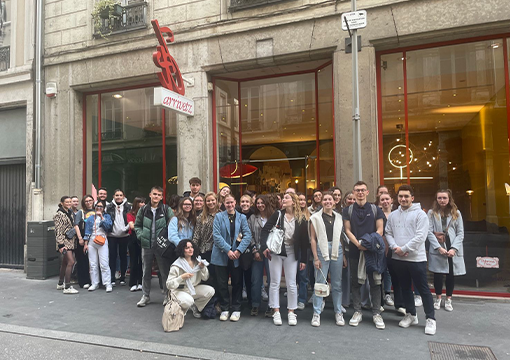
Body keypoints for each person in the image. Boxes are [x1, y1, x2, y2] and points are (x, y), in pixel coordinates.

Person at [385, 184, 436, 335]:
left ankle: (430, 319)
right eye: (400, 196)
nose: (403, 199)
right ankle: (411, 314)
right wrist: (395, 248)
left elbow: (421, 236)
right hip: (398, 258)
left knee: (423, 289)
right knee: (405, 288)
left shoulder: (420, 215)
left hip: (416, 259)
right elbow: (388, 233)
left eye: (406, 196)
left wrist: (404, 249)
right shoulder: (393, 215)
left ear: (412, 198)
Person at [343, 181, 385, 329]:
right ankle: (357, 311)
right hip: (355, 251)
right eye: (357, 190)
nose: (360, 193)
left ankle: (376, 313)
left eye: (362, 190)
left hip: (372, 251)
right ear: (353, 193)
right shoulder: (347, 210)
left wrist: (367, 244)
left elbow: (380, 230)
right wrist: (358, 244)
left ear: (367, 192)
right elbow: (347, 230)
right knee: (356, 282)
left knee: (375, 282)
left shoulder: (375, 209)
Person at [261, 192, 308, 326]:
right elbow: (265, 230)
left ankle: (291, 311)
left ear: (293, 202)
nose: (283, 200)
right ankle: (276, 310)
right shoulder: (278, 214)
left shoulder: (301, 218)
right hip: (276, 251)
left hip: (292, 251)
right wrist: (264, 247)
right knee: (274, 282)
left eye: (287, 198)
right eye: (283, 198)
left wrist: (303, 260)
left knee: (292, 283)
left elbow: (304, 241)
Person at [212, 193, 252, 322]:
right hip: (221, 254)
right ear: (224, 204)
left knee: (237, 283)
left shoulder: (242, 218)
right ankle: (224, 308)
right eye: (227, 203)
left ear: (235, 203)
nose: (229, 205)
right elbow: (216, 236)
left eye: (231, 202)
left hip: (237, 255)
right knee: (222, 283)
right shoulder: (218, 217)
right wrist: (228, 250)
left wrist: (239, 250)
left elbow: (247, 235)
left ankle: (236, 308)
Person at [310, 191, 346, 327]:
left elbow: (341, 238)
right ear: (321, 202)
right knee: (320, 282)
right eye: (325, 200)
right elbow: (313, 239)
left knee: (337, 284)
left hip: (337, 250)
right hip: (321, 249)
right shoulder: (315, 218)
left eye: (330, 199)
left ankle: (338, 312)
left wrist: (344, 257)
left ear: (335, 201)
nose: (327, 202)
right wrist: (315, 258)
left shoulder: (339, 217)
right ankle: (316, 313)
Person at [134, 186, 174, 307]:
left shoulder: (166, 209)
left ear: (161, 197)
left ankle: (167, 296)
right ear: (150, 195)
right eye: (154, 194)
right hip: (147, 245)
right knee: (146, 271)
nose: (156, 196)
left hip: (161, 246)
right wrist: (141, 236)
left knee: (164, 272)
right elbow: (137, 225)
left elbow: (172, 225)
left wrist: (166, 240)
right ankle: (145, 296)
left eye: (158, 195)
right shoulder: (143, 210)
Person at [427, 189, 465, 312]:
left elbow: (460, 233)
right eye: (439, 198)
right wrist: (438, 248)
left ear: (449, 199)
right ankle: (438, 298)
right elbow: (428, 231)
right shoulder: (431, 213)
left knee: (450, 275)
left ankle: (448, 298)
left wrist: (454, 248)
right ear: (436, 199)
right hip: (438, 246)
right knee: (437, 274)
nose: (442, 200)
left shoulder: (456, 213)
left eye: (444, 198)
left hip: (451, 245)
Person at [166, 240, 215, 319]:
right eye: (187, 248)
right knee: (189, 300)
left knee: (210, 290)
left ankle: (195, 306)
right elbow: (169, 285)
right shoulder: (176, 265)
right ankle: (179, 311)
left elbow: (205, 278)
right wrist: (181, 277)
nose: (190, 249)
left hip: (193, 288)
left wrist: (202, 268)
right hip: (179, 290)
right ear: (182, 250)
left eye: (192, 247)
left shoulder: (197, 261)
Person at [248, 195, 273, 316]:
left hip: (270, 253)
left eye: (262, 203)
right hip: (257, 251)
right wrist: (255, 251)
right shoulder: (253, 218)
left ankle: (271, 306)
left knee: (272, 280)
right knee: (256, 279)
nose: (260, 205)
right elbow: (249, 235)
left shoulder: (273, 217)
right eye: (258, 203)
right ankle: (255, 305)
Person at [376, 192, 399, 309]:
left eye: (387, 199)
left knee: (390, 271)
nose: (385, 201)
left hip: (395, 244)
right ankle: (379, 300)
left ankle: (388, 294)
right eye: (382, 199)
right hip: (380, 244)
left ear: (391, 200)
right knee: (380, 271)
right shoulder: (377, 214)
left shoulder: (397, 214)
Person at [83, 200, 113, 292]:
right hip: (92, 240)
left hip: (102, 240)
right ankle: (94, 283)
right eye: (97, 206)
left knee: (104, 263)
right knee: (93, 264)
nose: (98, 208)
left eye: (101, 206)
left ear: (104, 208)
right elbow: (87, 231)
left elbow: (109, 227)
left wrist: (102, 218)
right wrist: (85, 244)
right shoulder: (90, 218)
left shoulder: (107, 216)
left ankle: (107, 283)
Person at [193, 192, 219, 287]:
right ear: (205, 202)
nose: (210, 202)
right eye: (208, 200)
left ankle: (217, 298)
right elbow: (197, 234)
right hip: (204, 250)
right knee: (206, 275)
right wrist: (194, 248)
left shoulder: (221, 214)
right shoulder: (201, 216)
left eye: (212, 200)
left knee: (217, 275)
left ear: (216, 201)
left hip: (217, 249)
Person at [54, 196, 79, 294]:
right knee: (71, 262)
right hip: (64, 242)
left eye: (70, 202)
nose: (69, 203)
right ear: (62, 203)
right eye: (67, 202)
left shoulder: (70, 212)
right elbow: (58, 231)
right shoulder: (59, 214)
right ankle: (67, 287)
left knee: (65, 262)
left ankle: (60, 284)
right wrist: (60, 245)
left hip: (70, 241)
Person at [106, 189, 131, 286]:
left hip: (124, 235)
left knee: (123, 256)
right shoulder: (108, 207)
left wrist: (126, 228)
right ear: (113, 196)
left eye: (120, 195)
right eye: (117, 195)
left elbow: (131, 219)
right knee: (112, 257)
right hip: (112, 235)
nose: (119, 197)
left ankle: (123, 277)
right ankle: (112, 277)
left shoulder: (128, 207)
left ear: (123, 196)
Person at [73, 195, 95, 289]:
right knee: (82, 260)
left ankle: (94, 280)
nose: (88, 202)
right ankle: (83, 281)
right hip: (82, 237)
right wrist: (80, 238)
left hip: (94, 238)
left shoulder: (97, 210)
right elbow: (76, 225)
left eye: (90, 200)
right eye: (86, 201)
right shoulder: (80, 212)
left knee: (93, 261)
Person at [127, 197, 146, 292]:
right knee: (134, 261)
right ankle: (133, 283)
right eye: (141, 202)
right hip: (133, 238)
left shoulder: (146, 213)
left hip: (143, 238)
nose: (143, 204)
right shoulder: (130, 214)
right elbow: (132, 226)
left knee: (142, 261)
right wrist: (141, 227)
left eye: (144, 202)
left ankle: (141, 282)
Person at [239, 194, 254, 303]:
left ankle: (250, 298)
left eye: (247, 202)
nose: (245, 204)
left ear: (251, 203)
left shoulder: (254, 214)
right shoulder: (236, 214)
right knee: (239, 274)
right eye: (242, 202)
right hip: (238, 247)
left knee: (250, 274)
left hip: (251, 247)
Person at [297, 192, 311, 309]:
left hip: (305, 248)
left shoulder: (309, 215)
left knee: (303, 275)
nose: (302, 202)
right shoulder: (293, 215)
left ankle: (302, 299)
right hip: (294, 248)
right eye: (299, 200)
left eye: (303, 199)